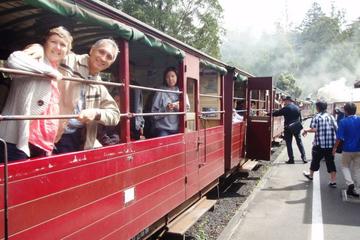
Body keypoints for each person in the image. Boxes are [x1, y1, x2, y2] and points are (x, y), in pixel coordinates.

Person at [0, 26, 72, 162]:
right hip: (17, 140)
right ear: (45, 43)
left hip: (42, 142)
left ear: (67, 51)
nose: (58, 47)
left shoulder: (58, 69)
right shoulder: (38, 56)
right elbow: (13, 60)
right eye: (53, 42)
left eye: (63, 45)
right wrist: (47, 72)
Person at [303, 100, 337, 188]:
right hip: (330, 145)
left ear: (318, 108)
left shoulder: (317, 117)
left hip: (319, 144)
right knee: (330, 162)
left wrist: (306, 130)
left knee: (315, 160)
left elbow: (314, 129)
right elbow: (337, 128)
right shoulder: (331, 117)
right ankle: (333, 181)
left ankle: (310, 176)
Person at [151, 67, 189, 137]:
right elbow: (153, 115)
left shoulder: (182, 92)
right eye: (167, 77)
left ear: (177, 77)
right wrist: (166, 110)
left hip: (178, 129)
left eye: (172, 76)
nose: (170, 79)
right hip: (163, 129)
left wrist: (179, 108)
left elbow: (187, 110)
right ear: (165, 79)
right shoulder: (160, 92)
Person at [332, 102, 360, 197]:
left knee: (345, 166)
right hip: (359, 149)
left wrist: (335, 148)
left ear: (346, 111)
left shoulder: (343, 121)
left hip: (347, 149)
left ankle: (350, 183)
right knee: (357, 169)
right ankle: (357, 190)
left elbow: (339, 137)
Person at [269, 96, 306, 164]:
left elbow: (277, 113)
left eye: (285, 100)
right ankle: (304, 158)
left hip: (288, 128)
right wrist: (298, 125)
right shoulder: (297, 107)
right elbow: (300, 118)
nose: (284, 102)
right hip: (296, 127)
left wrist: (268, 114)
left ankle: (291, 159)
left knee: (289, 144)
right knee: (299, 142)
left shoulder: (286, 108)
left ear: (288, 101)